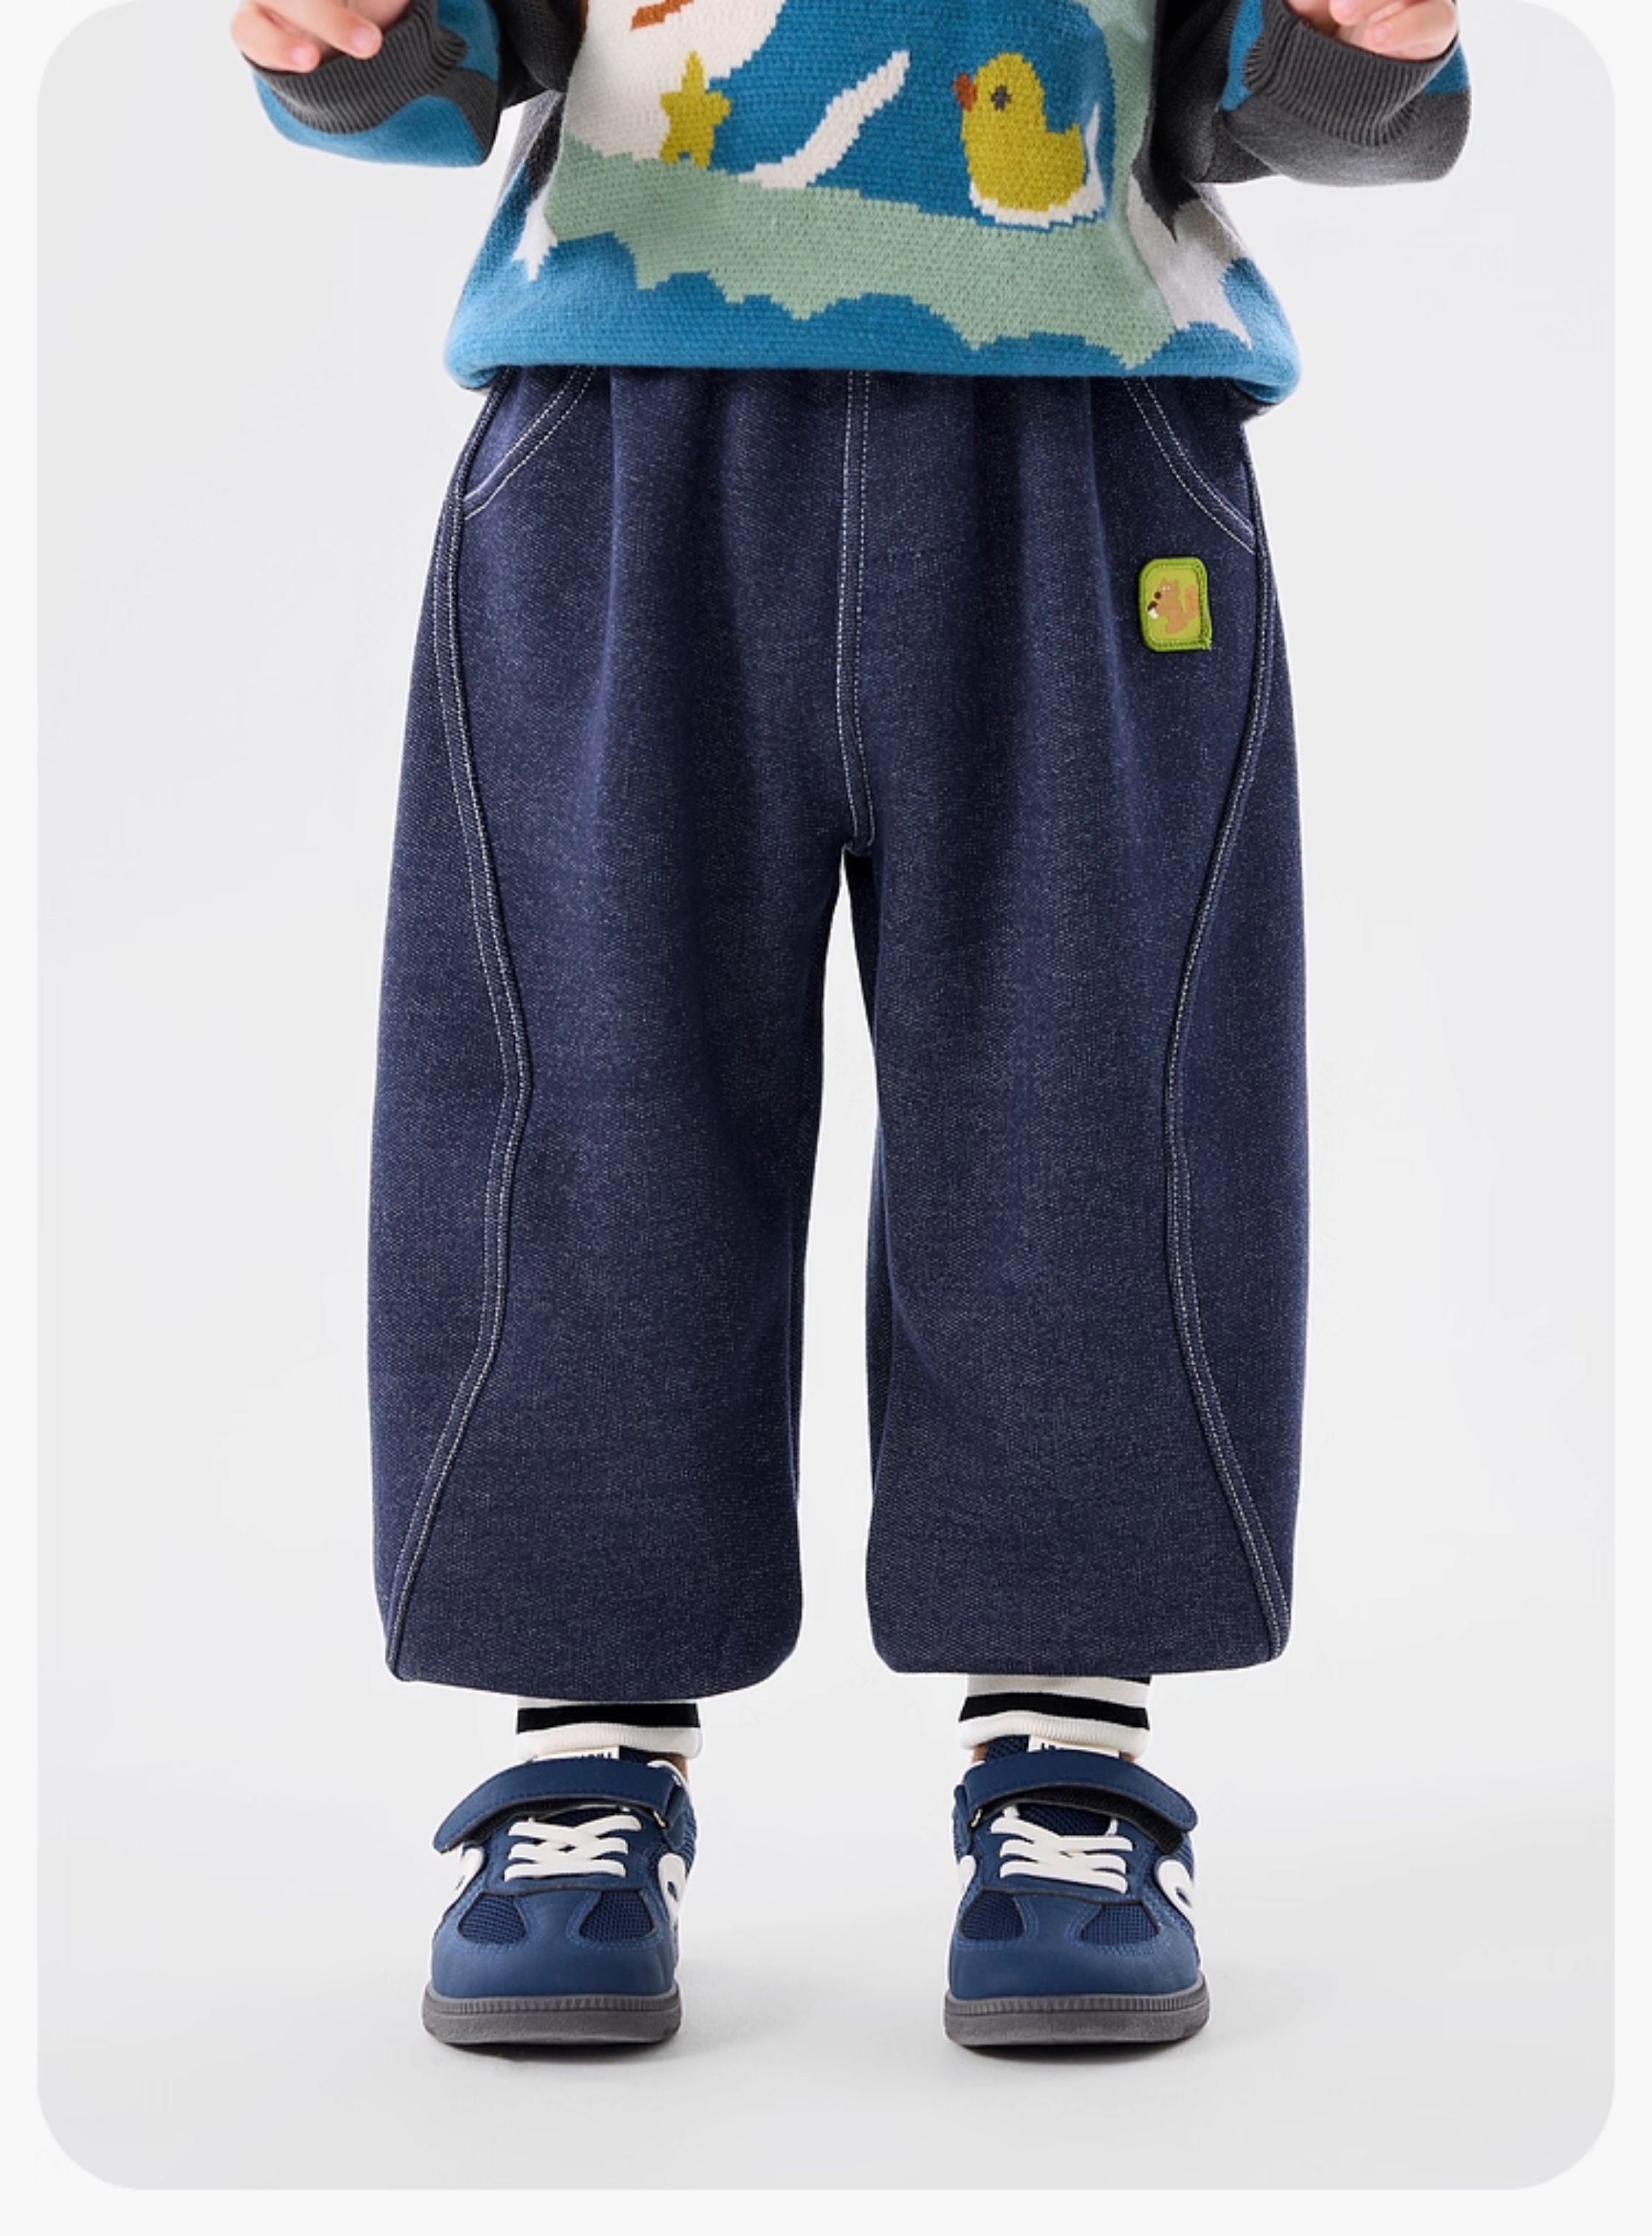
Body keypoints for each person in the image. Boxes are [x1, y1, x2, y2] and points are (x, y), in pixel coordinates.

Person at [230, 0, 1468, 2051]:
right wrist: (344, 37)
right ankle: (581, 1745)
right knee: (580, 1088)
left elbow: (1271, 76)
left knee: (1101, 1091)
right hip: (627, 403)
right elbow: (453, 48)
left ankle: (1070, 1750)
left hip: (1083, 417)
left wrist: (1360, 34)